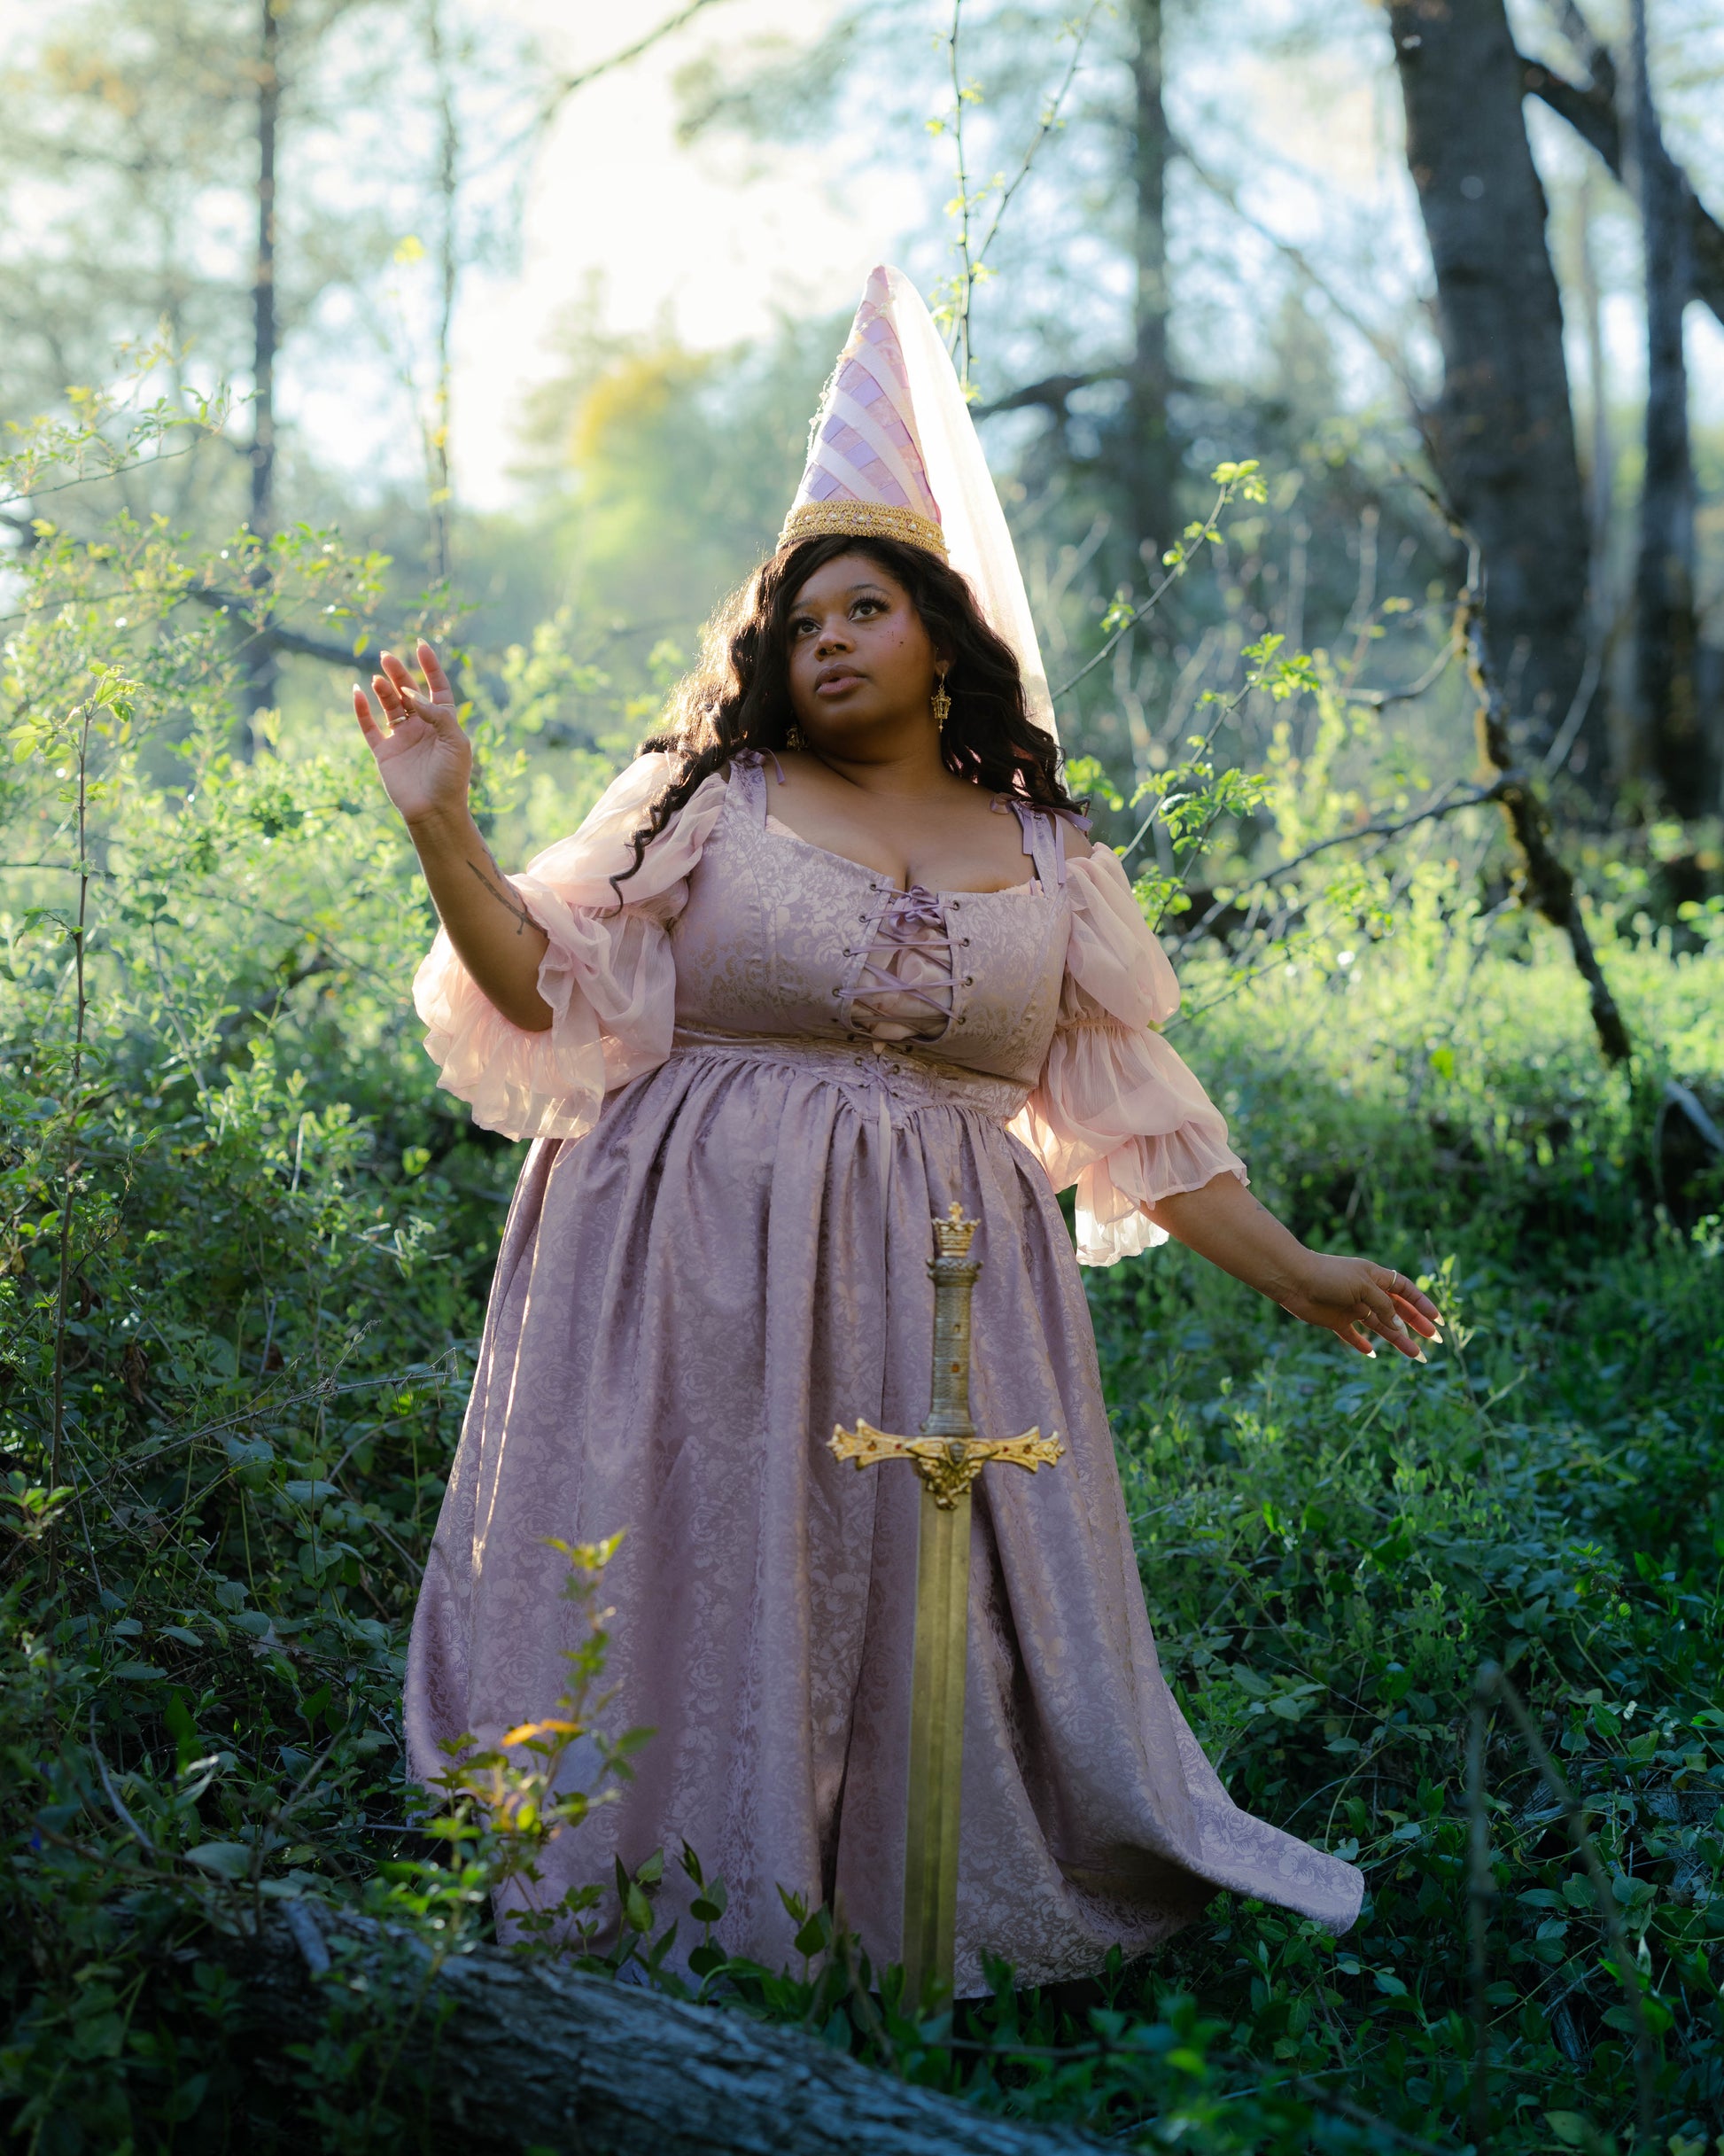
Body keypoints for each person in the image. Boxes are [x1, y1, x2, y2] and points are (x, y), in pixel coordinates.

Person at [358, 268, 1441, 1995]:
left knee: (908, 1592)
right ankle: (669, 1914)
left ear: (945, 630)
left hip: (942, 1282)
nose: (825, 642)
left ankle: (899, 1926)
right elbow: (546, 987)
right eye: (799, 625)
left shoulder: (1048, 856)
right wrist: (444, 827)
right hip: (685, 1252)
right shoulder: (711, 796)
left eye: (862, 609)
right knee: (698, 1571)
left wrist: (1292, 1265)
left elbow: (1134, 1112)